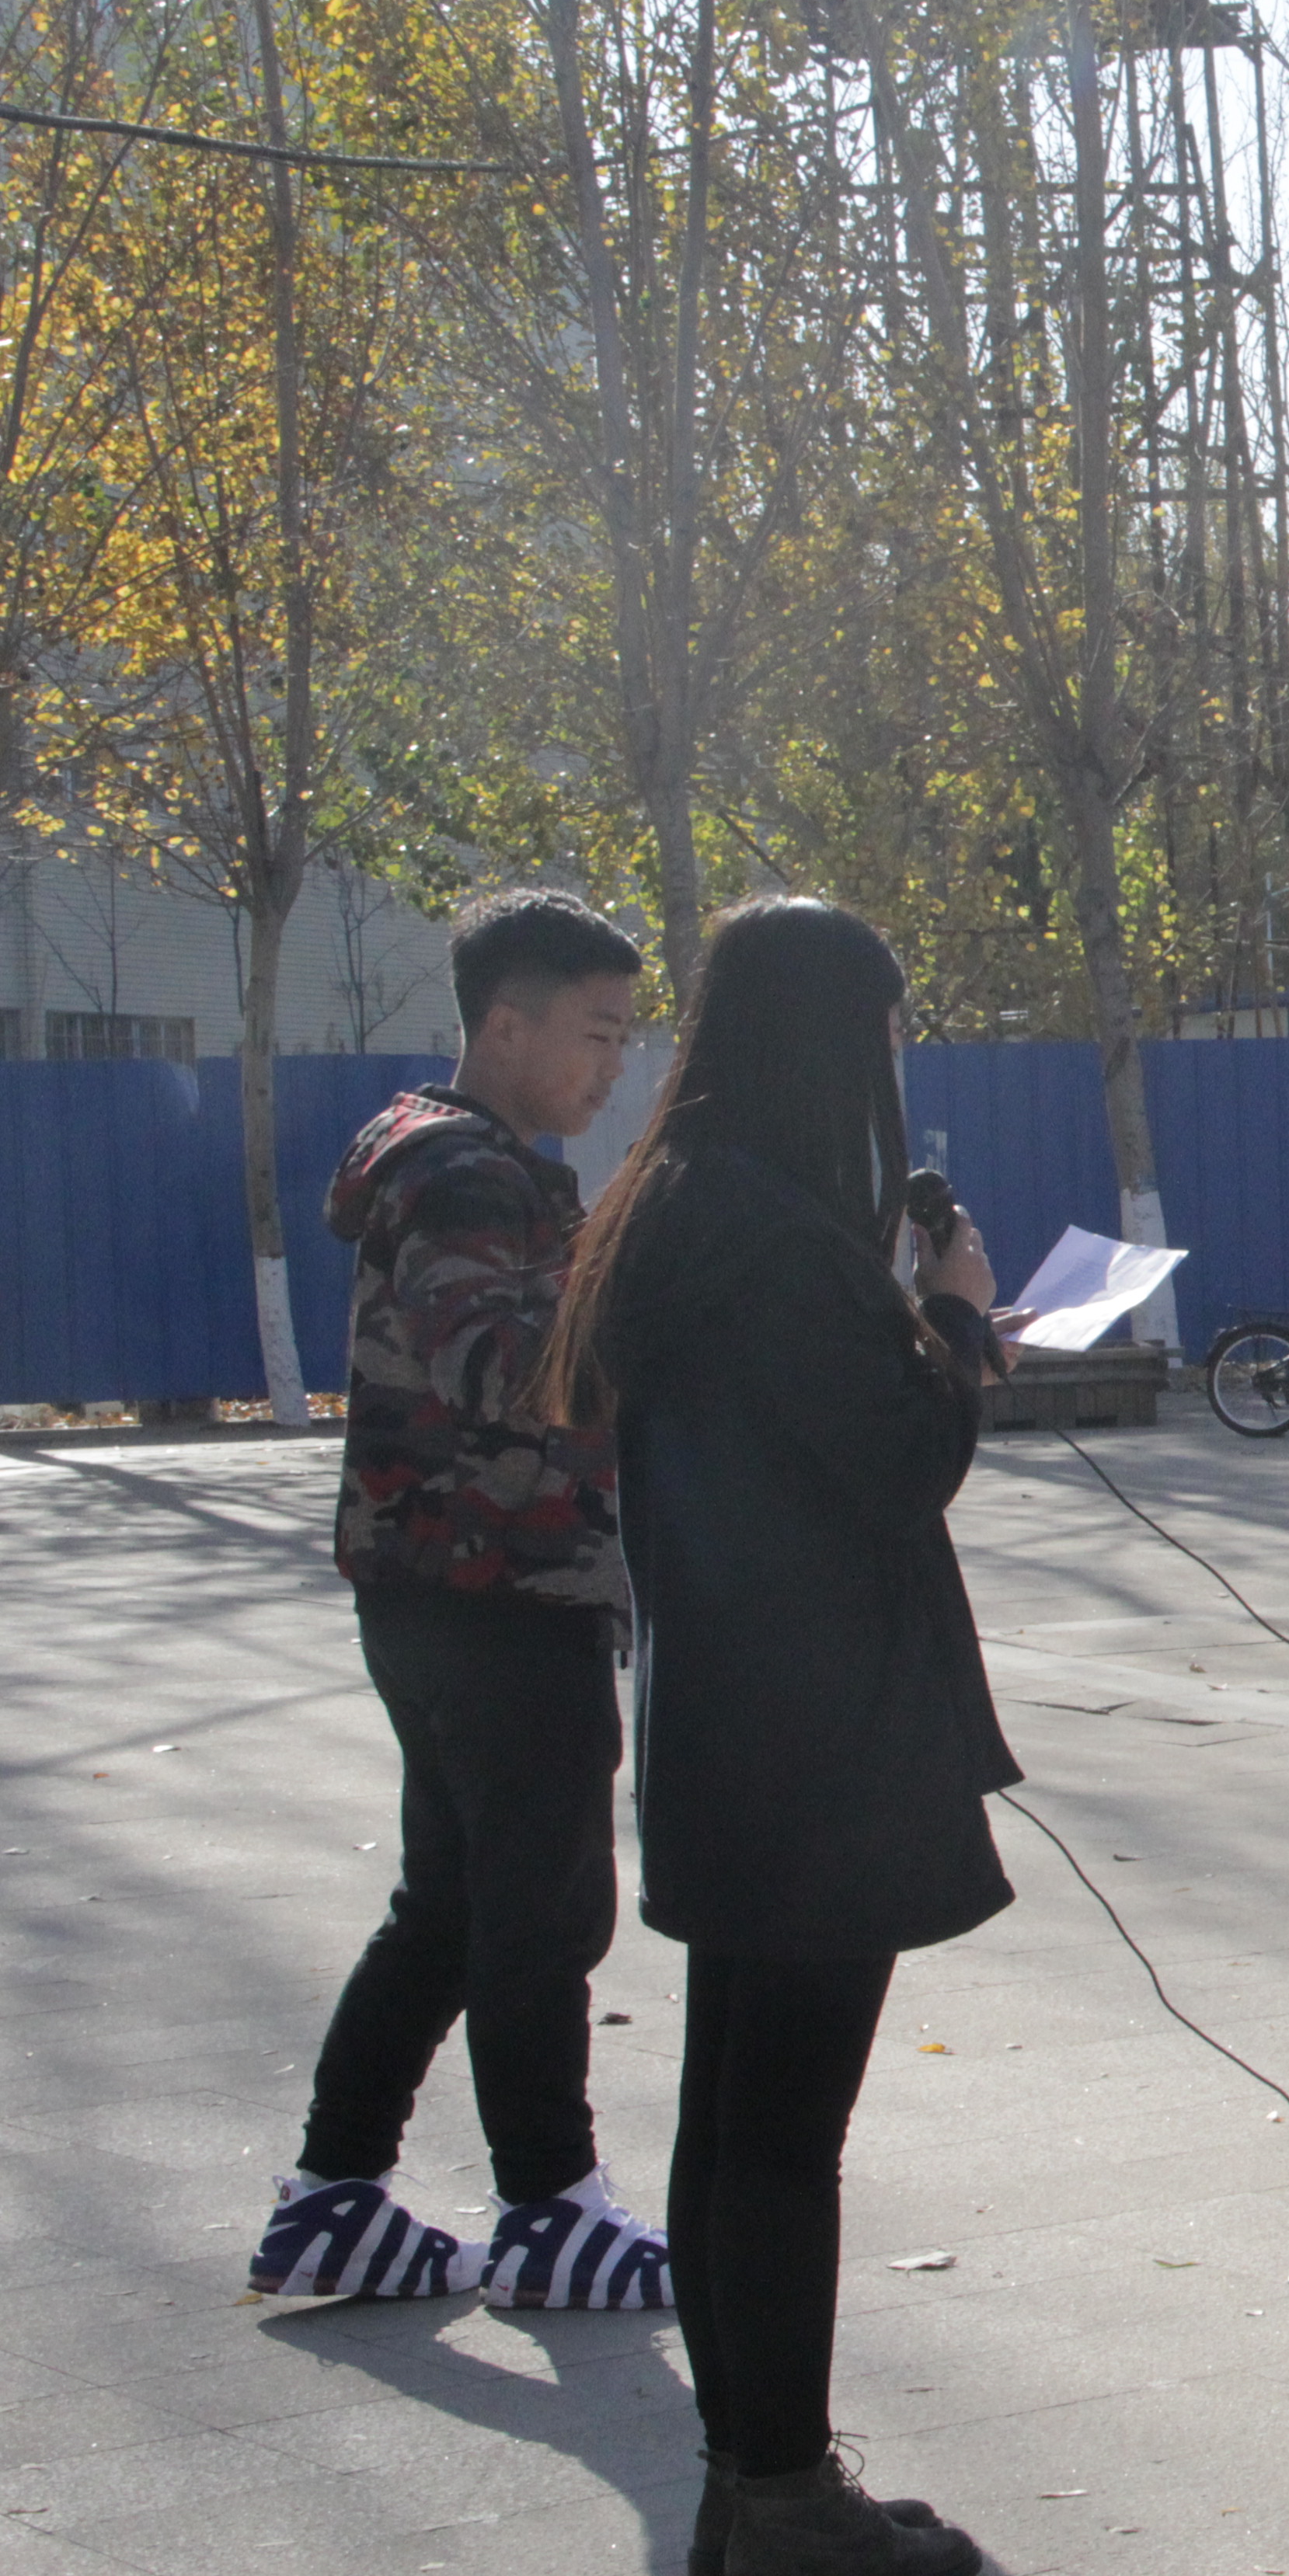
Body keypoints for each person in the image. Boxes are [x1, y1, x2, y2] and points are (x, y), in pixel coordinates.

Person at [535, 896, 1002, 2574]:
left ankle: (749, 2484)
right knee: (786, 2135)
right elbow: (900, 1461)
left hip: (732, 1721)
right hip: (819, 1736)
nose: (891, 1065)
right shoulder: (769, 1236)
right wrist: (956, 1319)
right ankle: (790, 2499)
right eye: (881, 1033)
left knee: (733, 2116)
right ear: (826, 1039)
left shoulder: (676, 1202)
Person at [251, 893, 665, 2312]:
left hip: (433, 1586)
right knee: (541, 1912)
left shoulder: (448, 1161)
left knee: (448, 1905)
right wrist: (658, 1322)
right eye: (596, 1033)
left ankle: (334, 2195)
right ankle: (552, 2208)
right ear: (506, 1023)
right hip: (500, 1588)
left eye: (624, 1036)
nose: (613, 1065)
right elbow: (505, 1369)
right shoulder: (471, 1176)